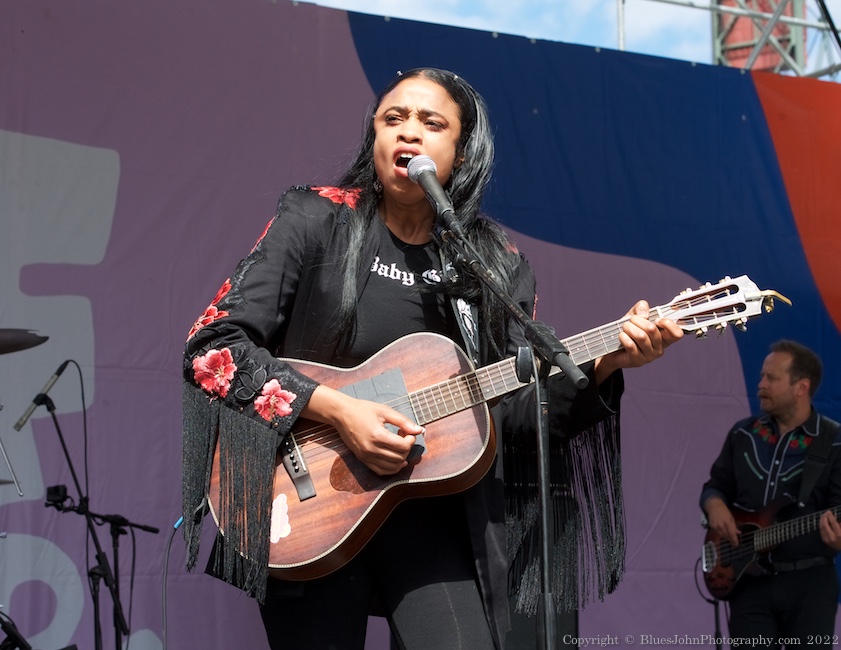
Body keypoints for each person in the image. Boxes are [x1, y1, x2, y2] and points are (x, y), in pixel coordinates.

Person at [181, 67, 683, 649]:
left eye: (431, 122)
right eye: (393, 119)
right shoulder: (315, 219)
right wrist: (341, 412)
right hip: (310, 500)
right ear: (374, 139)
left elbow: (514, 414)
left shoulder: (493, 263)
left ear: (463, 151)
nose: (409, 132)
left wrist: (607, 365)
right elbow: (213, 348)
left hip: (432, 518)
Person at [701, 339, 841, 648]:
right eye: (763, 376)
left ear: (801, 387)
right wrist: (715, 506)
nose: (761, 384)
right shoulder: (743, 434)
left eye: (771, 378)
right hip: (748, 581)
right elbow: (715, 486)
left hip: (810, 585)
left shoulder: (834, 441)